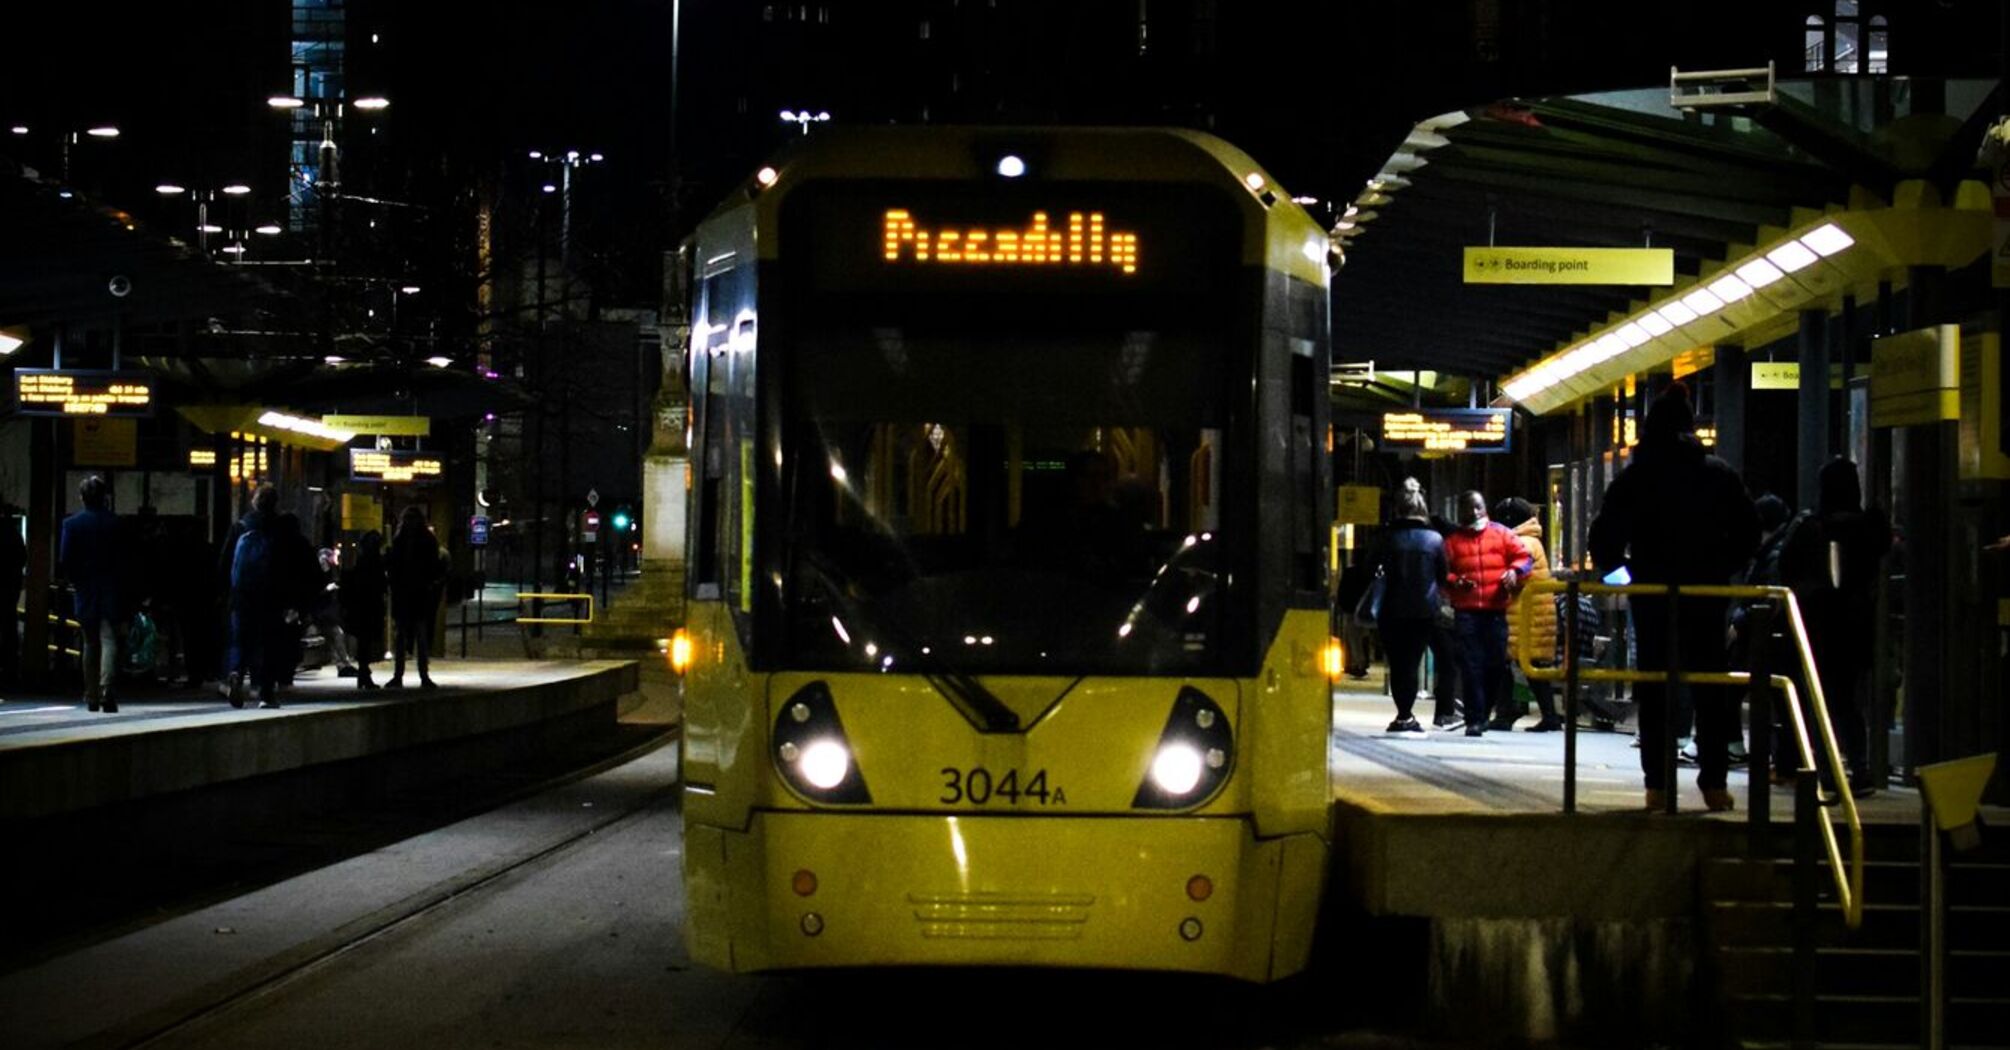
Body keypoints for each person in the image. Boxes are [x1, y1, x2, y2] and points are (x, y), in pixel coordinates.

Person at [1589, 382, 1760, 811]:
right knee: (1711, 688)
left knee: (1655, 689)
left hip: (1653, 598)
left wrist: (1626, 581)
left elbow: (1604, 541)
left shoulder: (1635, 477)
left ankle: (1657, 786)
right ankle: (1715, 783)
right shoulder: (1717, 474)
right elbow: (1750, 532)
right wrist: (1722, 569)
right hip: (1706, 594)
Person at [1779, 457, 1891, 796]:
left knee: (1819, 697)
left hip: (1817, 624)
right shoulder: (1870, 527)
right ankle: (1860, 766)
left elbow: (1786, 567)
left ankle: (1826, 768)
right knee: (1849, 699)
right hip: (1856, 625)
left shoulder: (1811, 526)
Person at [1443, 491, 1533, 737]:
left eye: (1478, 507)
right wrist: (1456, 582)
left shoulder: (1502, 534)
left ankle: (1484, 712)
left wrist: (1514, 571)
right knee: (1471, 666)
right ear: (1460, 512)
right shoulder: (1452, 542)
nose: (1474, 513)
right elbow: (1442, 573)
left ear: (1485, 508)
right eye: (1469, 508)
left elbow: (1525, 558)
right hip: (1466, 613)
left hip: (1496, 611)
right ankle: (1475, 718)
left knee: (1494, 664)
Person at [1372, 490, 1449, 732]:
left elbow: (1369, 568)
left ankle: (1402, 714)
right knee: (1412, 661)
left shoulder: (1386, 538)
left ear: (1398, 510)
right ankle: (1407, 715)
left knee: (1397, 662)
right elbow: (1443, 575)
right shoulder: (1435, 540)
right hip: (1423, 610)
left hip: (1390, 609)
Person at [1490, 497, 1562, 731]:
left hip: (1526, 615)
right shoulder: (1530, 539)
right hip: (1530, 614)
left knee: (1510, 665)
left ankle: (1506, 713)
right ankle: (1542, 714)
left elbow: (1516, 574)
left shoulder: (1522, 542)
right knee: (1527, 666)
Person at [1401, 477, 1464, 727]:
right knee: (1447, 660)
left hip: (1404, 605)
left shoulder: (1396, 532)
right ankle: (1444, 712)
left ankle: (1404, 713)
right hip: (1433, 607)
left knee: (1406, 661)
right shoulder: (1438, 533)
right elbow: (1442, 574)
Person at [58, 476, 123, 712]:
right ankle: (107, 688)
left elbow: (65, 559)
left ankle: (91, 694)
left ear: (82, 497)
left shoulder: (72, 525)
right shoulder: (115, 523)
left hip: (85, 590)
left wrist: (77, 579)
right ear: (104, 497)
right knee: (109, 639)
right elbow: (124, 559)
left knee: (90, 642)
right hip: (110, 588)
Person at [219, 484, 279, 704]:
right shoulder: (278, 528)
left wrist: (225, 591)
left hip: (240, 594)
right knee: (264, 641)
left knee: (238, 638)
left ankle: (235, 673)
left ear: (254, 501)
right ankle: (263, 689)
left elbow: (225, 561)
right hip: (269, 595)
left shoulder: (241, 526)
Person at [387, 506, 445, 689]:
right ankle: (419, 676)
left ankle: (403, 675)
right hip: (416, 594)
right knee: (414, 636)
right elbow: (436, 567)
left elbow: (394, 567)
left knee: (407, 636)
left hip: (409, 593)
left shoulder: (400, 540)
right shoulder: (427, 540)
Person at [341, 531, 387, 689]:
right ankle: (364, 674)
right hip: (369, 605)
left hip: (360, 605)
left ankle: (363, 673)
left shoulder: (360, 561)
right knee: (366, 641)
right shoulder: (375, 562)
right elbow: (381, 584)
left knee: (363, 641)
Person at [0, 503, 25, 687]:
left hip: (8, 587)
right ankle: (10, 670)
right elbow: (21, 557)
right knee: (9, 629)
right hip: (9, 589)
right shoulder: (12, 533)